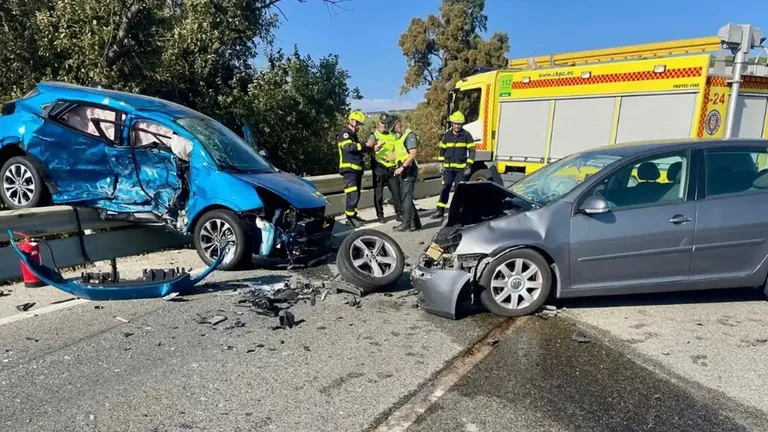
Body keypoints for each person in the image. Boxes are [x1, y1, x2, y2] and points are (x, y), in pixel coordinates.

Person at [432, 111, 475, 219]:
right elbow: (442, 150)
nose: (457, 126)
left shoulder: (467, 135)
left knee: (459, 190)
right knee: (445, 188)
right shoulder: (447, 135)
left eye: (459, 124)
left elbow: (472, 151)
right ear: (452, 123)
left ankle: (458, 211)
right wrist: (441, 164)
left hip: (461, 170)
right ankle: (440, 210)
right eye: (455, 123)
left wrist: (469, 166)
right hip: (448, 169)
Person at [338, 110, 373, 227]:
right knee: (352, 194)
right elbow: (349, 147)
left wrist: (370, 148)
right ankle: (349, 218)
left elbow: (358, 149)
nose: (359, 127)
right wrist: (365, 145)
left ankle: (353, 215)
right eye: (358, 124)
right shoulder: (345, 133)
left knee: (356, 194)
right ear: (352, 121)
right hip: (349, 169)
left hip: (356, 169)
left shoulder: (353, 135)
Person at [367, 113, 403, 224]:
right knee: (379, 194)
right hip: (379, 167)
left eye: (386, 123)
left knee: (396, 192)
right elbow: (367, 149)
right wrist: (374, 149)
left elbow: (398, 149)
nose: (384, 125)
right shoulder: (374, 135)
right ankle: (380, 215)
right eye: (382, 123)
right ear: (378, 123)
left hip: (391, 167)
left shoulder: (393, 135)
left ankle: (399, 214)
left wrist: (394, 157)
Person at [392, 117, 422, 232]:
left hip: (409, 170)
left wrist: (402, 167)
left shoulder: (409, 135)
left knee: (406, 198)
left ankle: (407, 224)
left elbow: (413, 153)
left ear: (399, 124)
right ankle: (416, 223)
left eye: (394, 127)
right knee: (406, 197)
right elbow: (398, 153)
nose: (393, 130)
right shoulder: (398, 137)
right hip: (403, 169)